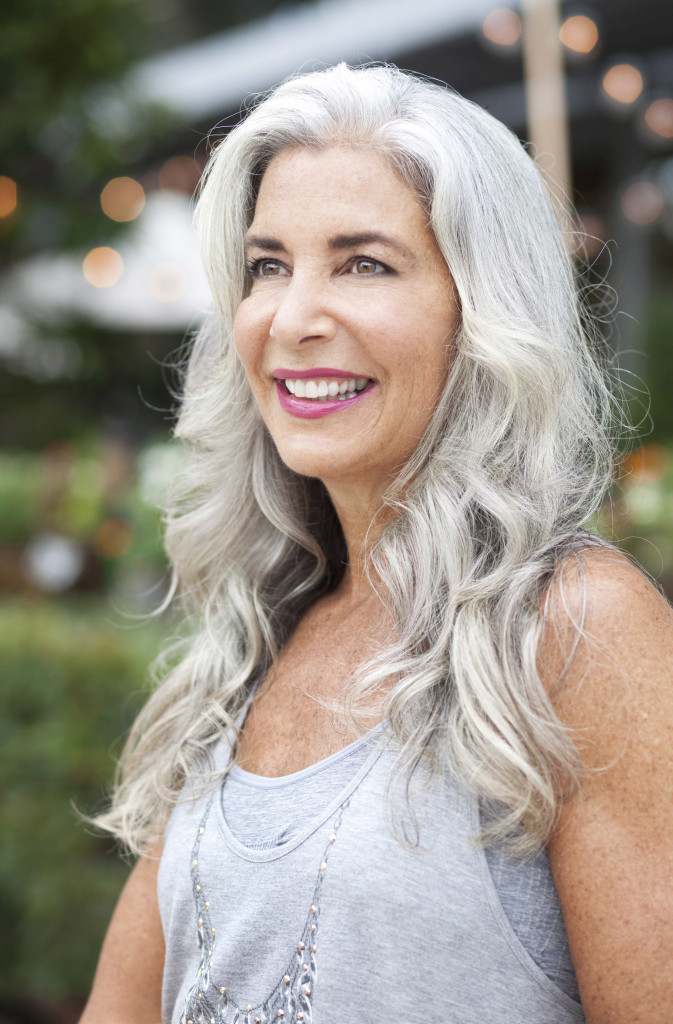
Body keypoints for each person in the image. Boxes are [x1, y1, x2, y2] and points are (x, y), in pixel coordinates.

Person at [80, 64, 673, 1024]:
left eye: (364, 263)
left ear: (480, 312)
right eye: (268, 265)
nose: (294, 317)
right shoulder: (259, 640)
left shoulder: (573, 632)